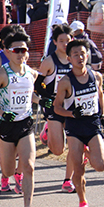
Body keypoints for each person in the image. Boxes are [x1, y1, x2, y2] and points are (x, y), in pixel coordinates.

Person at [0, 32, 41, 207]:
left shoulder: (31, 73)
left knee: (29, 165)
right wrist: (1, 112)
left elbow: (30, 94)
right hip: (6, 125)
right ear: (8, 52)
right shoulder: (1, 74)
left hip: (25, 123)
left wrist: (42, 100)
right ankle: (8, 172)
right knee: (6, 171)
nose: (21, 54)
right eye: (16, 50)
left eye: (24, 50)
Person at [54, 39, 104, 207]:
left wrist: (103, 115)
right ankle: (82, 202)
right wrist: (71, 114)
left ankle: (87, 153)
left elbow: (100, 96)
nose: (80, 57)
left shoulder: (96, 76)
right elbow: (57, 107)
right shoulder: (65, 82)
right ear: (69, 58)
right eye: (75, 54)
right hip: (75, 126)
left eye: (83, 53)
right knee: (78, 168)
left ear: (88, 55)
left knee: (100, 165)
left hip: (92, 123)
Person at [35, 24, 75, 192]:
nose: (65, 44)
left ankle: (68, 180)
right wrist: (47, 97)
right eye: (61, 41)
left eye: (68, 40)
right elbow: (38, 85)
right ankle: (48, 130)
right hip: (53, 107)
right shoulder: (49, 62)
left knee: (74, 145)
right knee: (58, 150)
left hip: (71, 106)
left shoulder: (77, 59)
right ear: (55, 42)